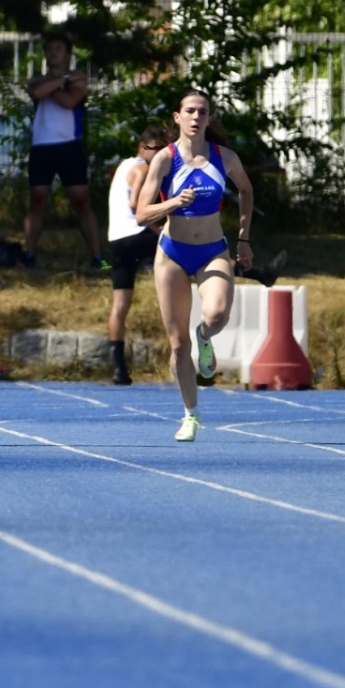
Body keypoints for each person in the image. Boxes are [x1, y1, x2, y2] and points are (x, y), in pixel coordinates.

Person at [134, 88, 255, 443]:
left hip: (212, 250)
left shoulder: (225, 157)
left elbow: (246, 191)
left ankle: (204, 336)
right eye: (189, 111)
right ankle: (191, 414)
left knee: (216, 315)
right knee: (176, 344)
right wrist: (172, 202)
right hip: (172, 253)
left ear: (209, 118)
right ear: (177, 117)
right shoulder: (165, 159)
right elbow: (142, 213)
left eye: (202, 112)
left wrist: (244, 237)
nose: (195, 117)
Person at [23, 32, 103, 269]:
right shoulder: (40, 79)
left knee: (81, 200)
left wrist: (52, 85)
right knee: (37, 199)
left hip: (69, 145)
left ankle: (98, 257)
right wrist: (61, 80)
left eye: (57, 48)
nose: (52, 52)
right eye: (49, 49)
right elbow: (36, 92)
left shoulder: (77, 77)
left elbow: (70, 101)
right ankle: (29, 255)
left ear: (68, 53)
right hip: (41, 146)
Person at [105, 128, 170, 385]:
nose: (159, 154)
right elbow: (136, 205)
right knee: (192, 247)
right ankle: (246, 270)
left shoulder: (124, 165)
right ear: (143, 147)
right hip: (136, 235)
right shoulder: (142, 168)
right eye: (156, 149)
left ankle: (119, 369)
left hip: (117, 239)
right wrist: (159, 228)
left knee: (120, 303)